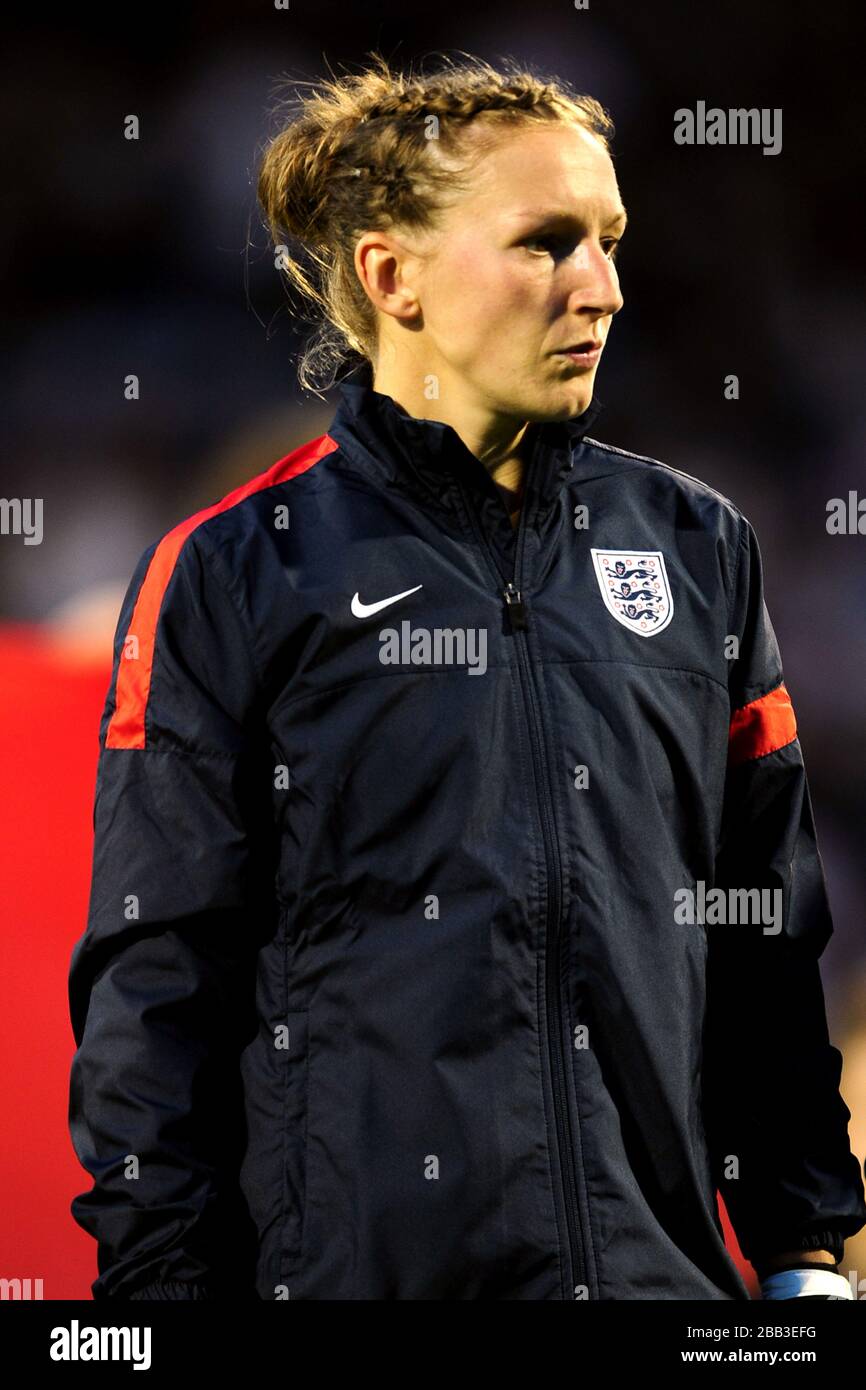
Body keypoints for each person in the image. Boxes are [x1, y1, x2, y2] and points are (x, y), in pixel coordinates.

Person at [67, 51, 866, 1301]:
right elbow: (155, 979)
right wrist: (160, 1291)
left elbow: (760, 939)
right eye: (546, 243)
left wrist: (804, 1258)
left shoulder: (697, 547)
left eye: (608, 239)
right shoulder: (234, 571)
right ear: (391, 277)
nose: (600, 287)